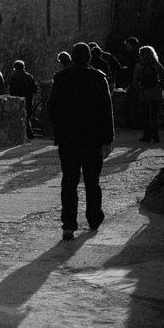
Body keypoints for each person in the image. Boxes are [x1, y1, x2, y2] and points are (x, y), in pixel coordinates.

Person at [46, 42, 114, 241]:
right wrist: (107, 140)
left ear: (73, 58)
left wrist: (62, 125)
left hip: (69, 139)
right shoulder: (99, 78)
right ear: (89, 58)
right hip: (93, 139)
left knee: (69, 182)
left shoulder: (61, 78)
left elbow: (51, 108)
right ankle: (94, 218)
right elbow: (106, 111)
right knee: (92, 181)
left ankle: (68, 225)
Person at [133, 45, 164, 143]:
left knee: (145, 115)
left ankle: (146, 135)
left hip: (144, 93)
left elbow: (135, 82)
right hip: (156, 92)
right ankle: (156, 136)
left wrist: (139, 86)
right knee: (154, 115)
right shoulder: (156, 65)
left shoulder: (139, 66)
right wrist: (160, 83)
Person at [8, 59, 38, 140]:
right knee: (27, 117)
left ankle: (27, 134)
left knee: (21, 118)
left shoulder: (14, 78)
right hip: (28, 100)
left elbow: (12, 92)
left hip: (19, 101)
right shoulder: (30, 76)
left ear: (15, 68)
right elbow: (35, 89)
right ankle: (29, 133)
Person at [122, 36, 141, 128]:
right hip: (135, 83)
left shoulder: (134, 57)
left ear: (133, 46)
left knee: (128, 103)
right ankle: (137, 124)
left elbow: (134, 71)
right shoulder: (138, 56)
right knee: (135, 104)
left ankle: (130, 124)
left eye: (128, 45)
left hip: (134, 84)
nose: (126, 47)